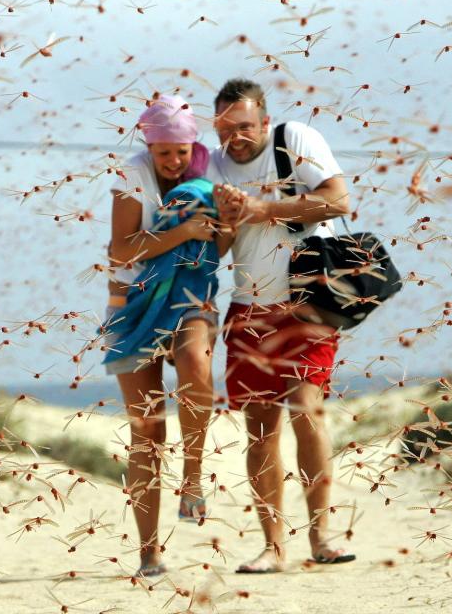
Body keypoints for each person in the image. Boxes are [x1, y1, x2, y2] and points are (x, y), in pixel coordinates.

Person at [207, 78, 354, 574]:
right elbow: (218, 251)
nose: (236, 137)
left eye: (245, 127)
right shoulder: (211, 166)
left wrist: (264, 209)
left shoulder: (295, 140)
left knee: (307, 410)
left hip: (307, 300)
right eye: (226, 128)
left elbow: (337, 200)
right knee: (259, 428)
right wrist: (228, 220)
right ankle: (273, 546)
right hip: (249, 304)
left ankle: (321, 536)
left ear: (264, 122)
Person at [104, 95, 231, 577]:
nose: (175, 161)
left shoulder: (210, 172)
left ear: (192, 143)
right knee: (147, 430)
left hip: (193, 295)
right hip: (132, 302)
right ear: (148, 146)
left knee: (198, 367)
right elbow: (121, 248)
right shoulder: (130, 175)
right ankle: (149, 550)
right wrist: (182, 232)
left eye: (182, 150)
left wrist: (228, 221)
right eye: (165, 153)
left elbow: (219, 242)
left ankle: (193, 479)